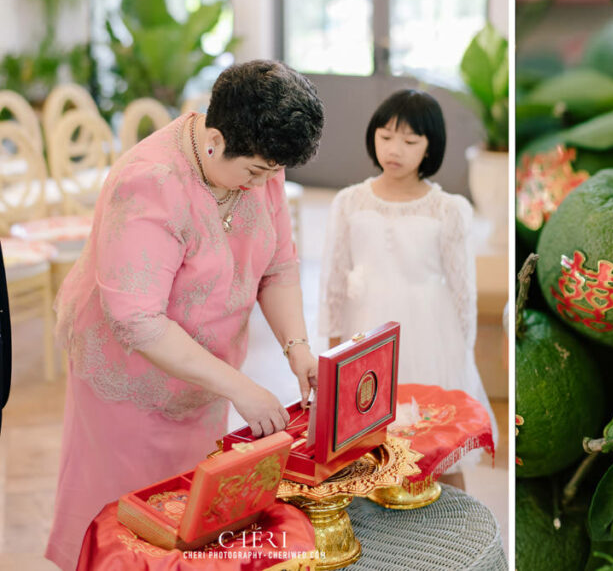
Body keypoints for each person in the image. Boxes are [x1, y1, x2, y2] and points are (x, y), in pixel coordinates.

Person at [45, 60, 325, 570]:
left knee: (189, 525)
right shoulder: (150, 182)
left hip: (202, 376)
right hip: (129, 384)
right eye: (255, 172)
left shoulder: (261, 161)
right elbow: (138, 320)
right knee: (127, 528)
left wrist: (297, 348)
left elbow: (278, 268)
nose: (261, 184)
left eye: (270, 174)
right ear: (215, 139)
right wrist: (239, 386)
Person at [318, 89, 496, 486]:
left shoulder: (448, 209)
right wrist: (332, 348)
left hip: (430, 331)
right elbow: (332, 278)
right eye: (385, 136)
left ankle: (457, 532)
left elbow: (463, 287)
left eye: (410, 141)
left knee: (439, 445)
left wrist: (461, 353)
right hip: (365, 329)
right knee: (368, 444)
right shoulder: (349, 202)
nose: (394, 149)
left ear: (430, 147)